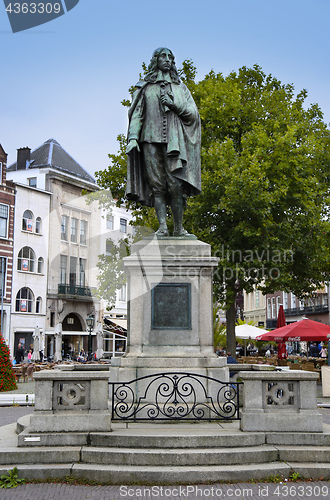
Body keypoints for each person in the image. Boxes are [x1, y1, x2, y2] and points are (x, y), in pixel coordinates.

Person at [126, 47, 201, 236]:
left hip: (174, 142)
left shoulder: (180, 88)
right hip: (149, 141)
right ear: (156, 60)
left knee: (175, 185)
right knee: (157, 186)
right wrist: (133, 137)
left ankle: (179, 229)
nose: (167, 60)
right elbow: (137, 115)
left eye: (170, 57)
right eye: (163, 56)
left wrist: (174, 105)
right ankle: (162, 228)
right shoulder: (145, 87)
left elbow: (193, 114)